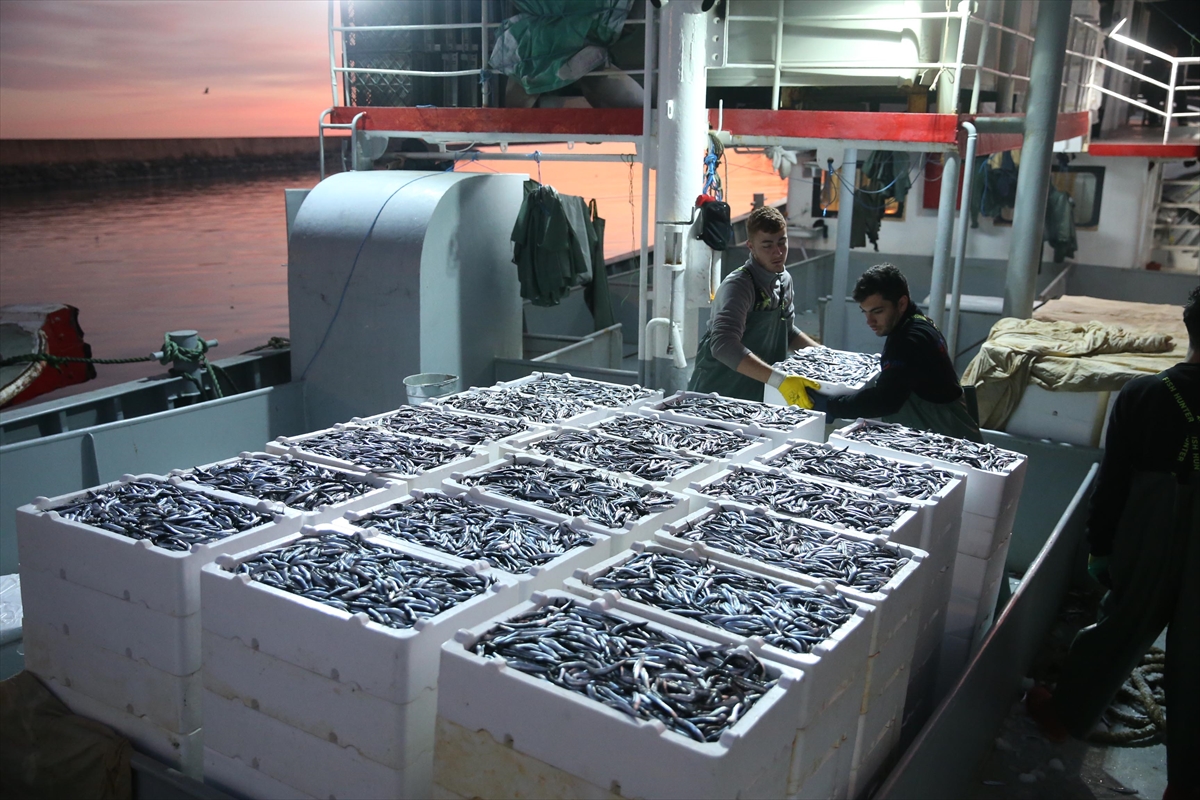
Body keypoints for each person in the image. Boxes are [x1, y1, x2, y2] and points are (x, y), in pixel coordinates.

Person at [1027, 286, 1200, 800]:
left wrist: (1100, 549)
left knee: (1118, 626)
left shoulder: (1144, 397)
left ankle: (1065, 715)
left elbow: (1113, 486)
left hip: (1150, 538)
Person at [808, 263, 983, 442]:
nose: (870, 321)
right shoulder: (920, 323)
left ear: (901, 303)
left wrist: (832, 406)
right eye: (865, 312)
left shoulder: (908, 339)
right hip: (949, 428)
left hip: (947, 439)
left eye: (877, 311)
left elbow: (885, 400)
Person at [687, 205, 820, 405]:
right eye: (767, 245)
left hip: (758, 391)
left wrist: (824, 354)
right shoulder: (739, 285)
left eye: (782, 242)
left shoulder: (784, 280)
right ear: (751, 246)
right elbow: (723, 346)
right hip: (718, 395)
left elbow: (787, 332)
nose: (778, 252)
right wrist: (780, 380)